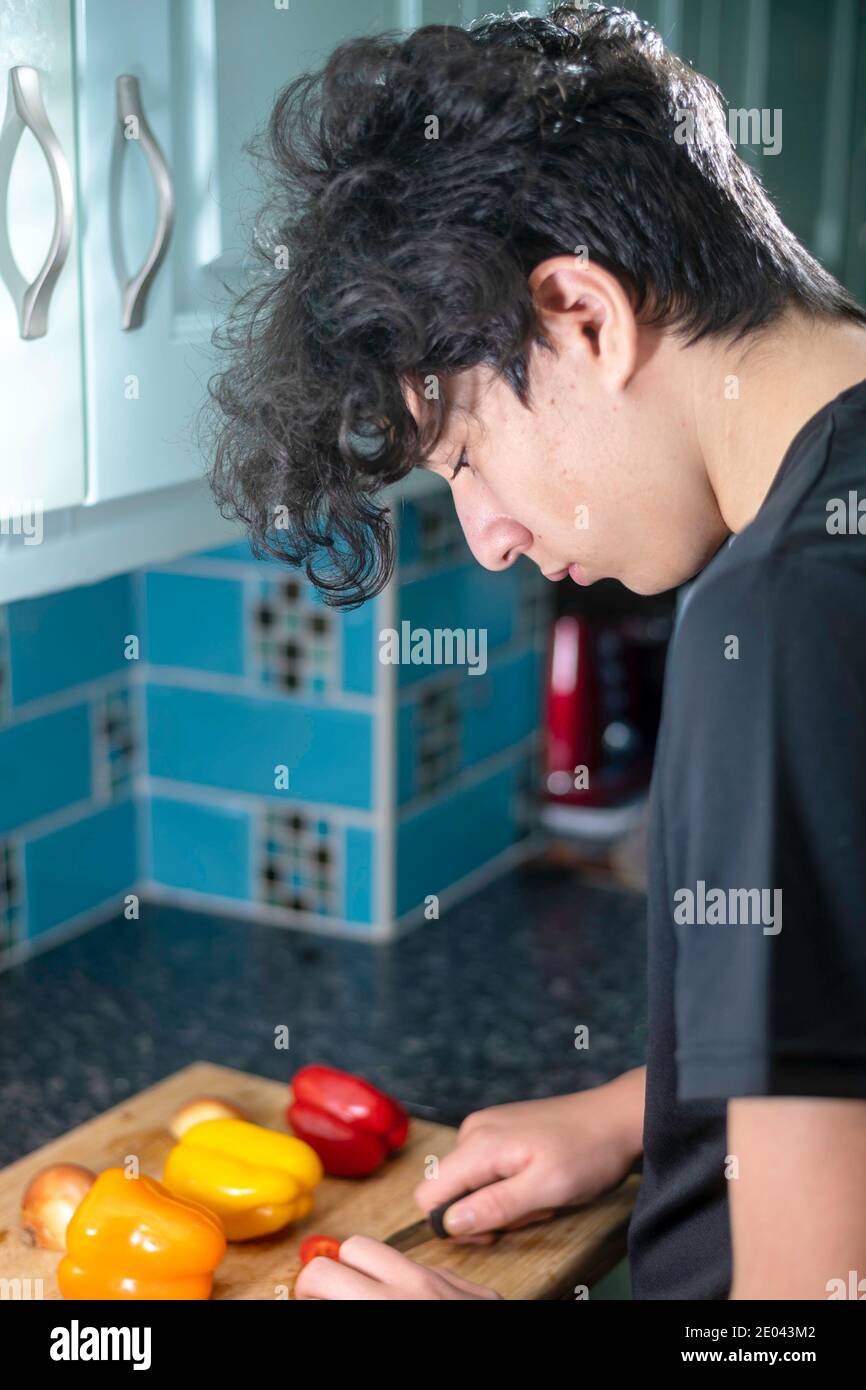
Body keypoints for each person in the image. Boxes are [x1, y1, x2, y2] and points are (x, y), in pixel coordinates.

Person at [208, 5, 866, 1299]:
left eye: (462, 455)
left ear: (578, 316)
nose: (490, 536)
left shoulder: (776, 621)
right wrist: (648, 1111)